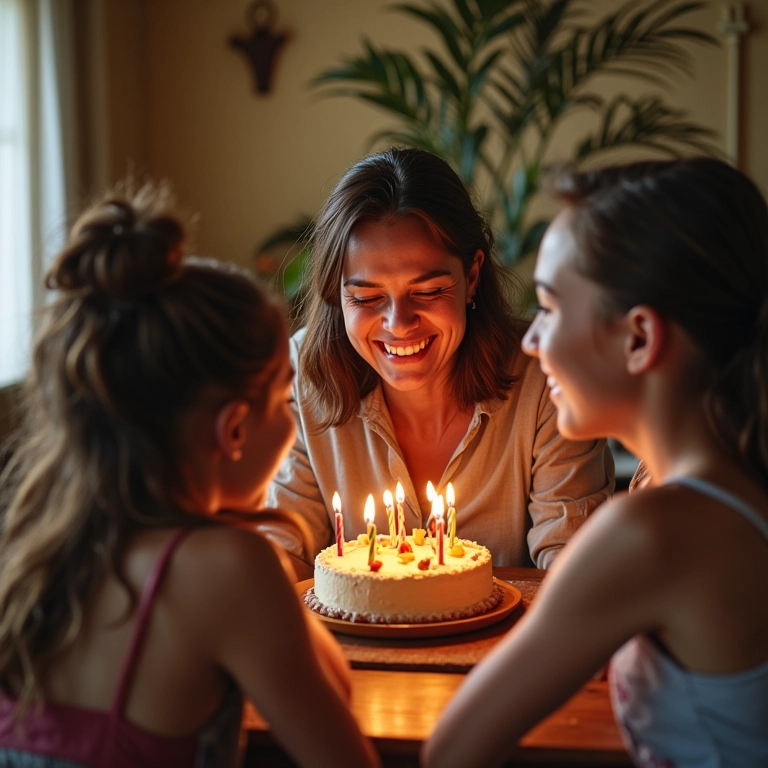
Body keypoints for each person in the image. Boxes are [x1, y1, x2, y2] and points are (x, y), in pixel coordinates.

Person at [0, 184, 379, 768]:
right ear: (233, 429)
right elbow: (338, 720)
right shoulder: (229, 566)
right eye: (284, 401)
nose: (291, 420)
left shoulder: (35, 539)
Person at [422, 157, 768, 768]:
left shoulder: (651, 532)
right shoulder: (727, 483)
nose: (530, 340)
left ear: (638, 338)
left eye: (551, 308)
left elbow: (452, 751)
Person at [266, 147, 614, 579]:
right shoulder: (303, 374)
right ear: (336, 295)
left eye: (428, 291)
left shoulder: (545, 376)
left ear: (471, 277)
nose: (399, 323)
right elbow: (283, 551)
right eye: (367, 298)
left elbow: (575, 569)